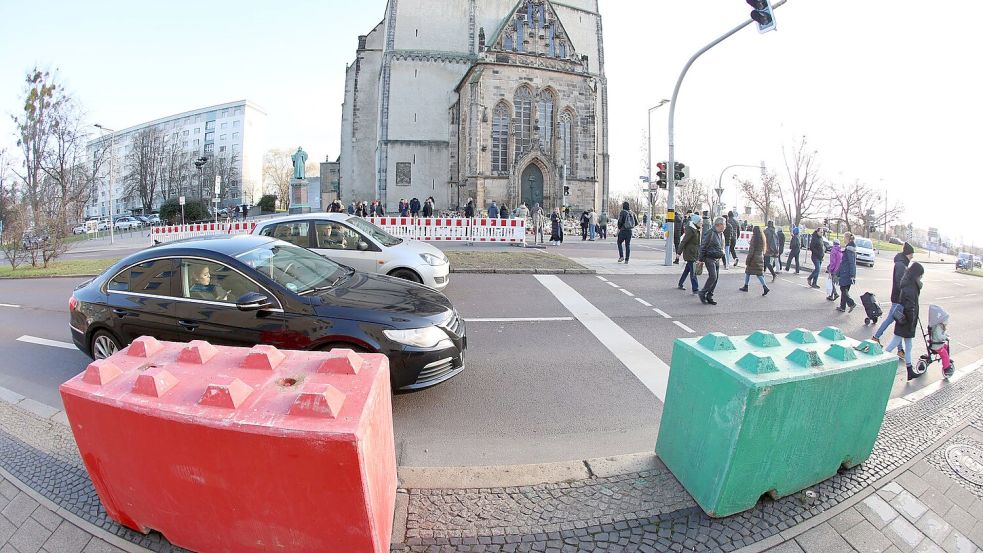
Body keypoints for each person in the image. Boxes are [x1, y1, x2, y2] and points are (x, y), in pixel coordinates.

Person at [884, 262, 925, 380]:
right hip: (906, 321)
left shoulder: (908, 283)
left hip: (903, 319)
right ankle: (878, 361)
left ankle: (909, 370)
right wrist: (912, 322)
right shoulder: (911, 288)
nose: (921, 277)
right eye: (921, 275)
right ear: (917, 274)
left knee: (908, 345)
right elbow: (911, 307)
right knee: (893, 344)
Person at [873, 242, 915, 354]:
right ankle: (876, 337)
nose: (912, 257)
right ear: (907, 254)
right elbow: (900, 283)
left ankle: (899, 349)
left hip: (898, 298)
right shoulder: (901, 265)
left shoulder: (902, 263)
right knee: (893, 320)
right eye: (911, 254)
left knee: (897, 322)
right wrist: (905, 295)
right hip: (899, 299)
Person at [699, 217, 726, 305]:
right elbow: (703, 246)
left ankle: (709, 295)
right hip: (709, 258)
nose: (725, 226)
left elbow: (722, 247)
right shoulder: (710, 233)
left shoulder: (721, 234)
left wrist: (724, 259)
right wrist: (701, 259)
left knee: (716, 278)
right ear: (718, 225)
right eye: (724, 224)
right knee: (713, 277)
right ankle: (703, 292)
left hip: (717, 258)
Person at [739, 225, 770, 296]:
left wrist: (748, 260)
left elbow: (751, 251)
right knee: (759, 274)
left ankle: (746, 286)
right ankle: (764, 287)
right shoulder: (762, 238)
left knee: (748, 272)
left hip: (753, 258)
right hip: (760, 257)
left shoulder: (754, 238)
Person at [677, 213, 702, 294]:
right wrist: (679, 253)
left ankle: (680, 283)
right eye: (700, 221)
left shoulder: (696, 229)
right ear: (696, 222)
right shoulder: (691, 230)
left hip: (694, 253)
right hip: (690, 254)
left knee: (687, 270)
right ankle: (695, 289)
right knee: (693, 272)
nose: (701, 223)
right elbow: (683, 242)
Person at [836, 233, 858, 313]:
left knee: (843, 288)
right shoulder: (850, 248)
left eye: (844, 237)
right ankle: (842, 307)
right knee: (845, 290)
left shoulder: (849, 249)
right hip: (847, 271)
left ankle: (851, 303)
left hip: (846, 272)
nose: (843, 239)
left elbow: (851, 263)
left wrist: (852, 275)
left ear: (848, 238)